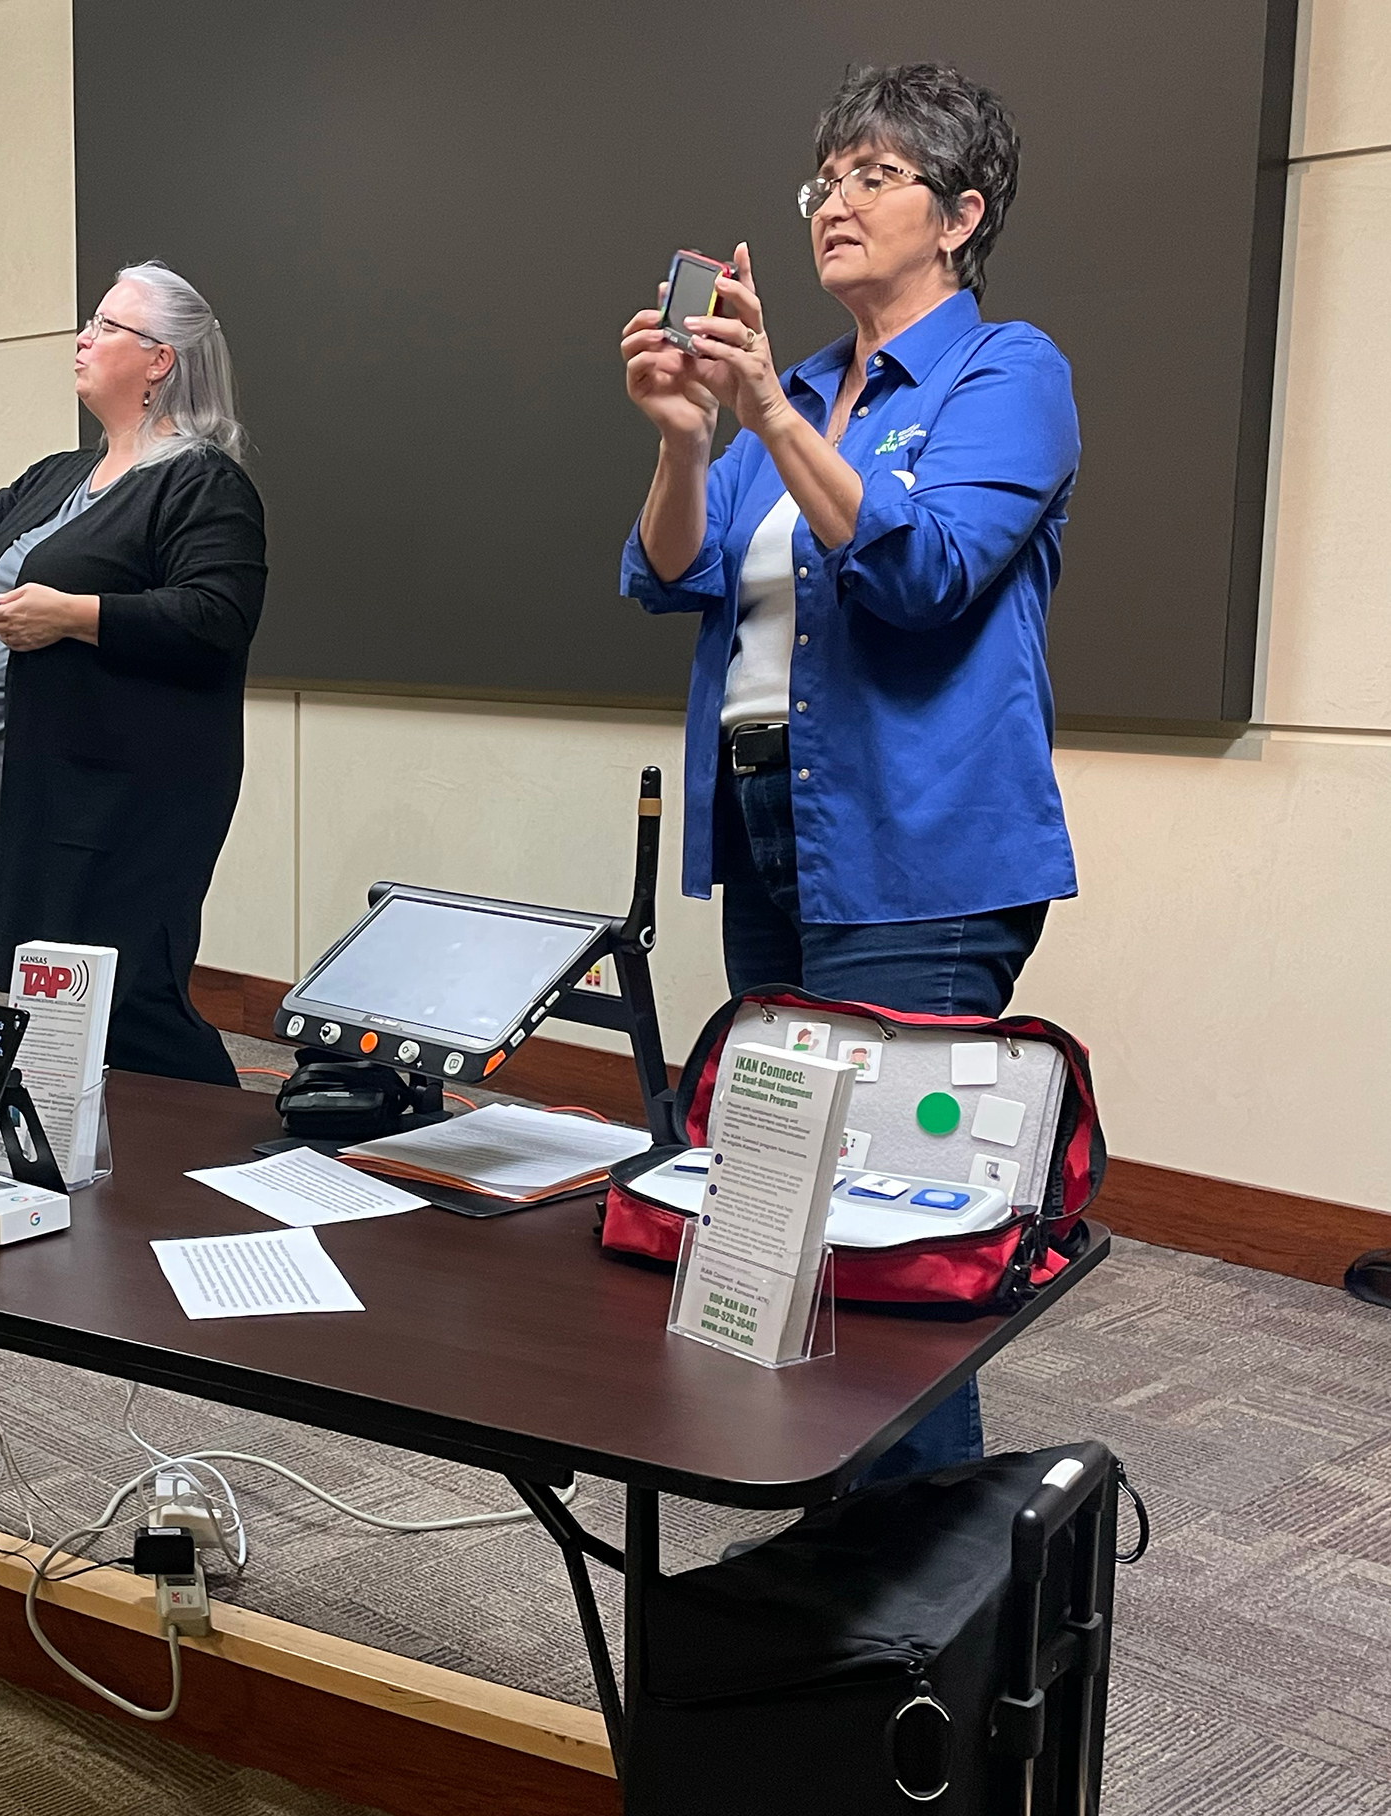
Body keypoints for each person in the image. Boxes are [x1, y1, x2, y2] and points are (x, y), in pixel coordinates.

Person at [617, 64, 1079, 1478]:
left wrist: (763, 412)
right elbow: (668, 575)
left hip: (923, 841)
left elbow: (926, 574)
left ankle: (924, 1557)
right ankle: (824, 1504)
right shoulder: (799, 388)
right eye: (826, 177)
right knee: (780, 1172)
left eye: (875, 175)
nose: (837, 201)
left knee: (903, 1207)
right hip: (768, 827)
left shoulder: (1011, 373)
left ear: (961, 213)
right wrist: (692, 442)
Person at [0, 261, 266, 1086]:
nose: (83, 336)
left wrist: (73, 615)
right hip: (34, 794)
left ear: (160, 361)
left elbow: (215, 617)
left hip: (126, 800)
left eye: (108, 326)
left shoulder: (202, 481)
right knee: (40, 996)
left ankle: (226, 1156)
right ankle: (67, 1163)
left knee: (128, 1002)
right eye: (91, 319)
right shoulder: (62, 476)